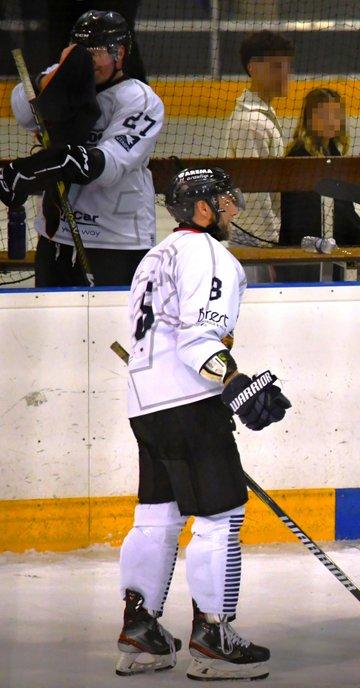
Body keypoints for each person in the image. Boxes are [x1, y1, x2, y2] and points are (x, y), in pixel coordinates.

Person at [117, 167, 291, 680]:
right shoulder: (210, 254)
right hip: (190, 400)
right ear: (201, 208)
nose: (231, 209)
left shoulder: (155, 255)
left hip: (144, 403)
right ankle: (213, 637)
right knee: (222, 517)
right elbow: (198, 339)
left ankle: (141, 631)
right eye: (223, 200)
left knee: (157, 516)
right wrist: (233, 380)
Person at [3, 10, 162, 287]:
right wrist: (43, 82)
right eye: (79, 51)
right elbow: (25, 113)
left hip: (117, 240)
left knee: (113, 317)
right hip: (55, 236)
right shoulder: (65, 78)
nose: (86, 60)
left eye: (96, 52)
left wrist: (50, 164)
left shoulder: (140, 99)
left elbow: (109, 166)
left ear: (119, 53)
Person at [279, 87, 360, 281]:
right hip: (306, 245)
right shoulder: (299, 156)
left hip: (332, 238)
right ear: (310, 119)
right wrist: (357, 232)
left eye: (336, 115)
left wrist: (357, 230)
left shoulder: (331, 151)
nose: (331, 121)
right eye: (324, 115)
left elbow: (343, 208)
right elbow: (306, 217)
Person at [224, 30, 293, 258]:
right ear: (253, 68)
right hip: (255, 240)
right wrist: (268, 242)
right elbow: (255, 190)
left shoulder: (262, 114)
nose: (285, 74)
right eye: (276, 66)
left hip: (255, 236)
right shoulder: (251, 122)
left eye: (287, 66)